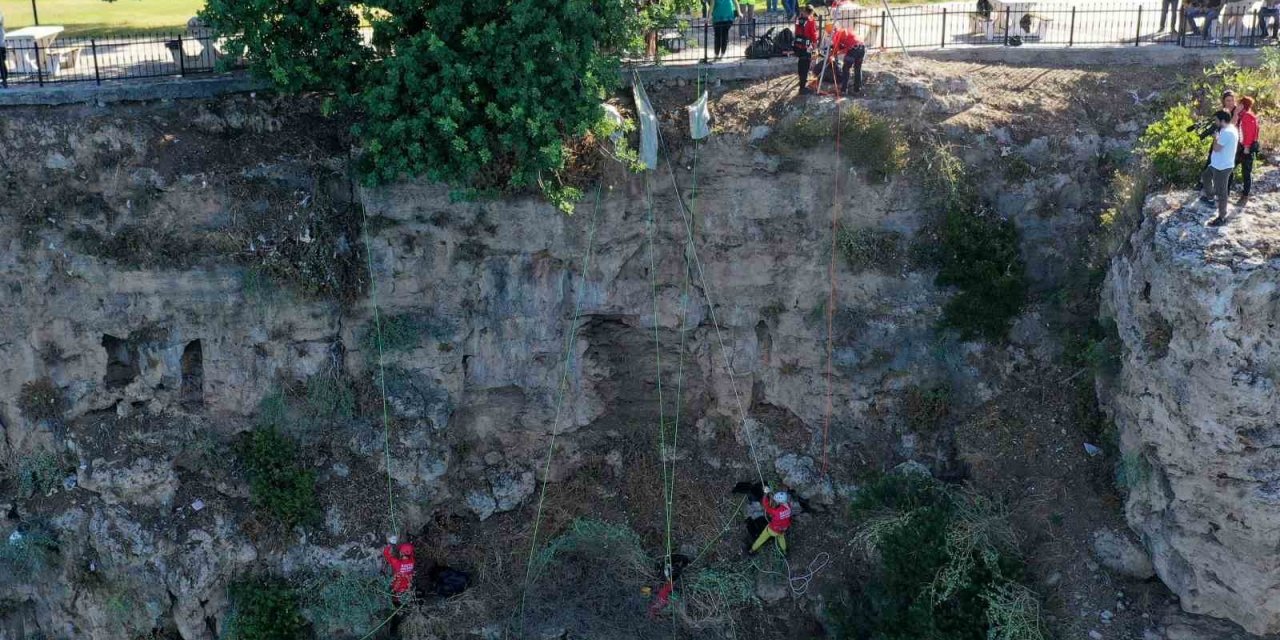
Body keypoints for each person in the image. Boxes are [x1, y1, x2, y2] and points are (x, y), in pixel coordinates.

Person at [1200, 110, 1238, 226]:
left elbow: (1216, 148)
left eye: (1216, 120)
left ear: (1222, 121)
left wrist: (1215, 137)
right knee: (1206, 176)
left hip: (1222, 167)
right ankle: (1210, 198)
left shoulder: (1227, 133)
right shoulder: (1230, 128)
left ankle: (1222, 217)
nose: (1215, 122)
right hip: (1216, 164)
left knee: (1222, 192)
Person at [1233, 96, 1260, 206]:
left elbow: (1249, 133)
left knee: (1246, 173)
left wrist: (1246, 148)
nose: (1237, 106)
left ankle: (1245, 196)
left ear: (1243, 105)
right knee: (1235, 169)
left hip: (1246, 149)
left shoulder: (1248, 116)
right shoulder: (1246, 115)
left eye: (1239, 104)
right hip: (1242, 147)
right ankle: (1240, 194)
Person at [749, 487, 792, 554]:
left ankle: (752, 549)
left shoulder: (775, 512)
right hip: (782, 529)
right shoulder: (788, 507)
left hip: (772, 530)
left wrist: (766, 494)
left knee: (762, 538)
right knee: (781, 539)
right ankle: (784, 551)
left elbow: (765, 505)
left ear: (779, 502)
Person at [831, 25, 866, 95]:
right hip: (862, 48)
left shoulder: (838, 34)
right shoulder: (847, 31)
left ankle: (843, 90)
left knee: (846, 69)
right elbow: (846, 49)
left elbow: (836, 49)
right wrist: (838, 52)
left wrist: (832, 55)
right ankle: (857, 90)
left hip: (853, 49)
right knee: (858, 69)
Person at [382, 536, 416, 604]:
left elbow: (386, 554)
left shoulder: (397, 563)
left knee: (394, 599)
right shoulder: (412, 562)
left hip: (397, 588)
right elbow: (411, 554)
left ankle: (395, 602)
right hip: (406, 588)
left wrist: (390, 544)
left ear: (401, 553)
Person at [793, 6, 818, 96]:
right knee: (805, 67)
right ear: (811, 12)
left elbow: (796, 31)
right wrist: (815, 47)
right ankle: (802, 88)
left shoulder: (798, 20)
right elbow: (813, 36)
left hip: (797, 46)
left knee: (801, 64)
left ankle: (802, 82)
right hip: (806, 47)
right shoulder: (811, 21)